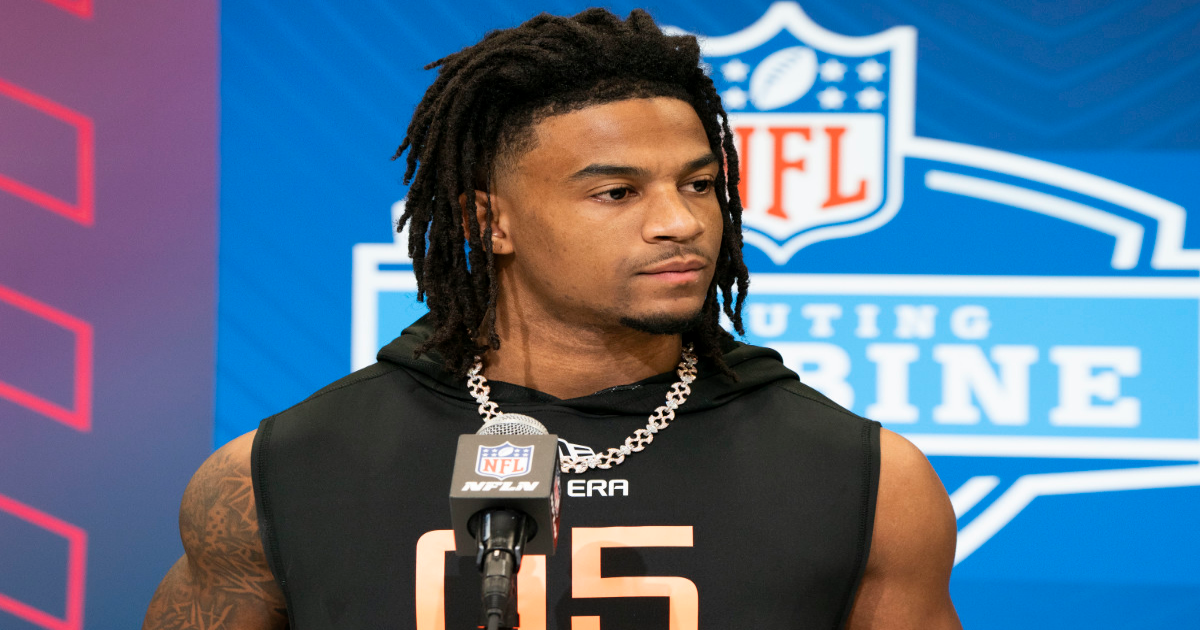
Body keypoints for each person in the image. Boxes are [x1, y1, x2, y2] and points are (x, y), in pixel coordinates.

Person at [144, 8, 960, 629]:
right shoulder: (277, 476)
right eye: (617, 192)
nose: (680, 222)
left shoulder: (869, 482)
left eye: (699, 185)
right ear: (489, 221)